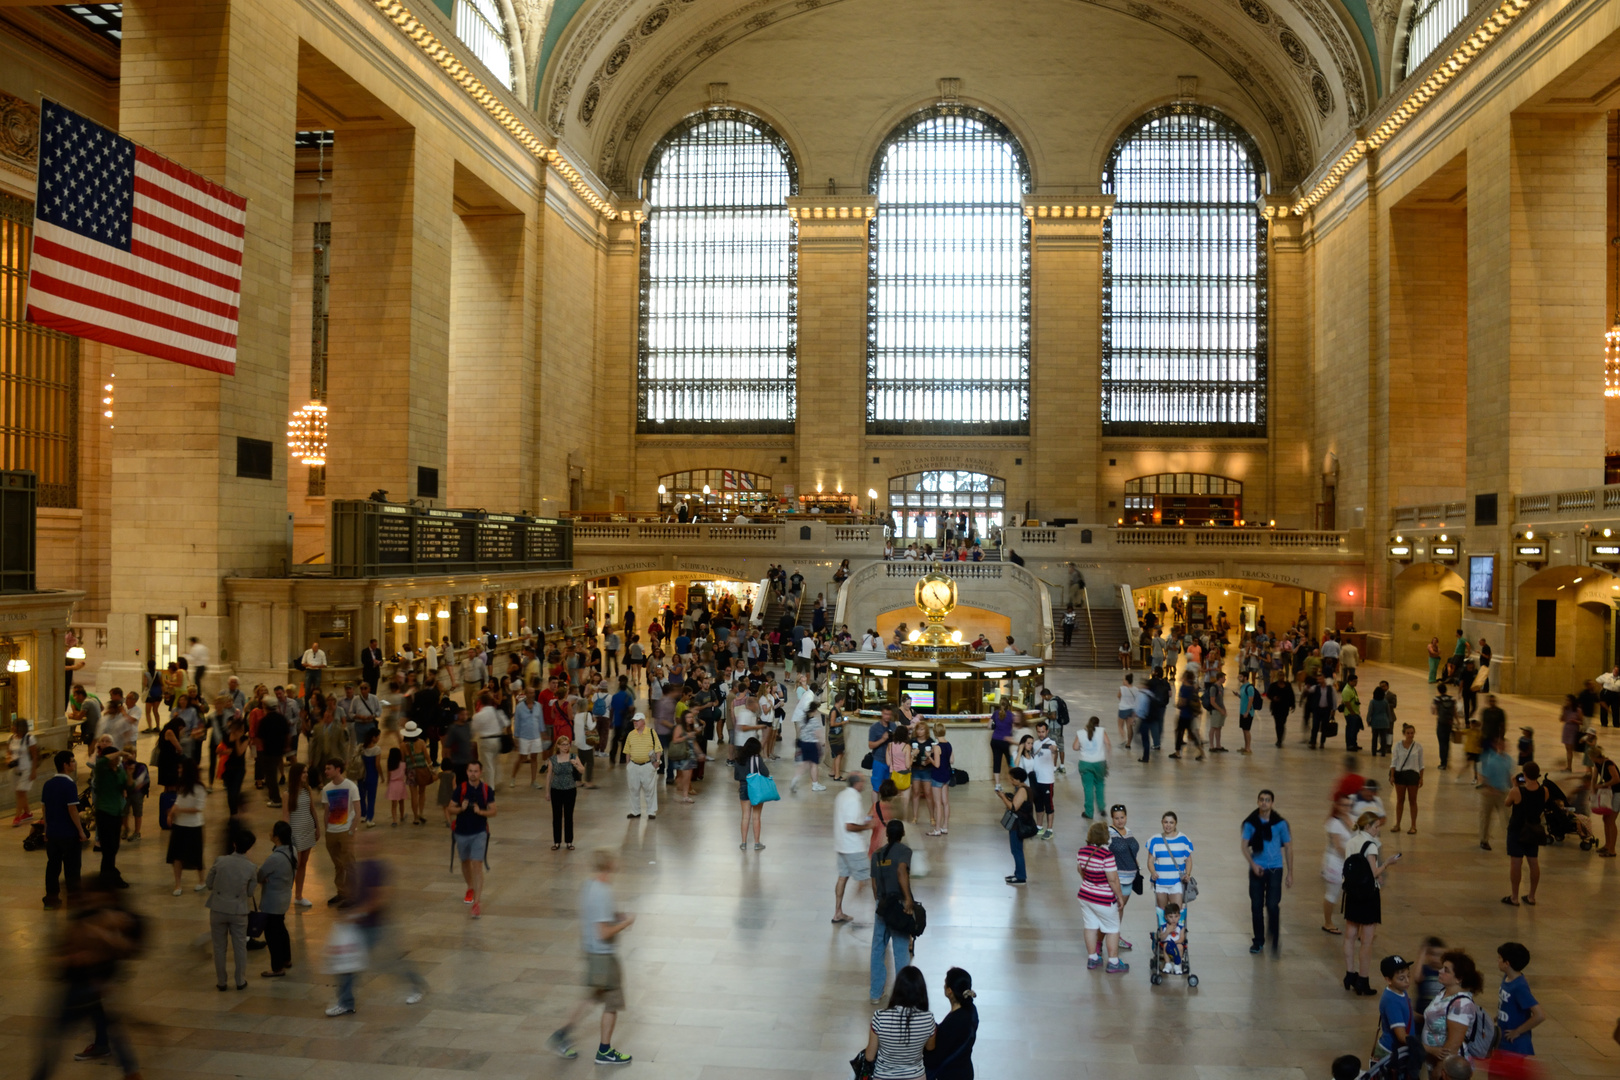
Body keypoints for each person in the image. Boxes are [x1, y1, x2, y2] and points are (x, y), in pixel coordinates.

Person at [27, 887, 144, 1080]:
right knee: (110, 1027)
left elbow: (107, 951)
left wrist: (72, 958)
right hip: (92, 988)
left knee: (52, 1036)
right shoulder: (97, 919)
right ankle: (130, 1070)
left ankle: (40, 1077)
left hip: (80, 990)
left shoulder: (92, 922)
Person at [546, 849, 634, 1065]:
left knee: (590, 998)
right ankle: (604, 1051)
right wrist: (626, 923)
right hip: (603, 957)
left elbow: (596, 916)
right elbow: (603, 932)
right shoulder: (603, 891)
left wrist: (615, 915)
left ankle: (562, 1036)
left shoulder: (589, 886)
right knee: (612, 1002)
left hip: (592, 953)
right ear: (609, 866)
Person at [325, 853, 428, 1016]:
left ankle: (416, 984)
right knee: (348, 963)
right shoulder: (362, 867)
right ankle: (346, 1002)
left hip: (376, 927)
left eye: (366, 844)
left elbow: (378, 900)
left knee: (387, 963)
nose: (362, 847)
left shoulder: (377, 869)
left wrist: (355, 914)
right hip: (362, 926)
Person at [1343, 811, 1399, 996]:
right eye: (1376, 827)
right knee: (1366, 941)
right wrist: (1388, 864)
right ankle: (1363, 980)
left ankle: (1349, 974)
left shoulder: (1351, 842)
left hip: (1351, 893)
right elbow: (1373, 872)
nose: (1378, 830)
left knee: (1350, 934)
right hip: (1368, 895)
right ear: (1367, 827)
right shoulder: (1371, 846)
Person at [205, 825, 257, 991]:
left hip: (218, 908)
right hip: (238, 911)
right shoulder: (251, 868)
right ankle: (240, 980)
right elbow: (250, 893)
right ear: (249, 847)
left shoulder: (220, 861)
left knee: (219, 948)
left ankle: (221, 982)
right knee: (240, 947)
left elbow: (208, 884)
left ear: (234, 844)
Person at [1241, 789, 1293, 955]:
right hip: (1257, 869)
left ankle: (1275, 937)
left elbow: (1289, 848)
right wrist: (1253, 864)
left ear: (1272, 803)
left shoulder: (1281, 824)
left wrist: (1290, 872)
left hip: (1275, 869)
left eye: (1267, 800)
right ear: (1258, 802)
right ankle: (1258, 941)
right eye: (1261, 800)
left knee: (1272, 904)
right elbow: (1244, 845)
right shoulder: (1251, 823)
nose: (1264, 802)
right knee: (1256, 906)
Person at [862, 964, 937, 1079]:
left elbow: (869, 1056)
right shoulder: (928, 1018)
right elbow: (930, 1047)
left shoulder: (880, 1017)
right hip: (916, 1076)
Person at [869, 819, 915, 1004]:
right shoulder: (904, 851)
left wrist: (880, 901)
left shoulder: (877, 855)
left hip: (882, 904)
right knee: (901, 949)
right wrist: (908, 899)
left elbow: (874, 882)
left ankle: (875, 993)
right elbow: (901, 871)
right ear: (902, 834)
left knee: (878, 948)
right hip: (898, 905)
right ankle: (903, 996)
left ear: (887, 834)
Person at [1077, 821, 1129, 973]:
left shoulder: (1082, 851)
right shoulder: (1107, 855)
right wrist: (1119, 896)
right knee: (1113, 928)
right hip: (1104, 899)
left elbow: (1081, 870)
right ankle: (1113, 961)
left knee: (1090, 926)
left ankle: (1093, 958)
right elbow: (1113, 879)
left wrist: (1091, 884)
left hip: (1085, 895)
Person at [1421, 951, 1485, 1071]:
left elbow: (1453, 1045)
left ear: (1458, 979)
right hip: (1433, 1062)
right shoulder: (1444, 992)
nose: (1440, 971)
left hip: (1451, 1069)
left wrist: (1439, 1070)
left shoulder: (1461, 1006)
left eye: (1446, 970)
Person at [447, 759, 495, 917]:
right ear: (467, 772)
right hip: (461, 832)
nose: (473, 774)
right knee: (465, 861)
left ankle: (477, 903)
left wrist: (480, 812)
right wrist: (461, 808)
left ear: (480, 772)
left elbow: (493, 811)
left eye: (475, 771)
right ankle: (470, 886)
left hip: (479, 831)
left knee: (477, 864)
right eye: (470, 771)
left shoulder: (486, 790)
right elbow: (450, 808)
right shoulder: (460, 789)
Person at [41, 751, 86, 909]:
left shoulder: (48, 784)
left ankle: (51, 898)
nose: (74, 764)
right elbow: (72, 810)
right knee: (72, 867)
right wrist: (80, 830)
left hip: (53, 833)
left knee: (52, 867)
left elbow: (45, 809)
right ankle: (74, 899)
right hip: (68, 833)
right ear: (65, 765)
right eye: (72, 761)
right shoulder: (69, 785)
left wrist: (46, 829)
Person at [922, 967, 977, 1080]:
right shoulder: (971, 1010)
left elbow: (932, 1061)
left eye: (945, 983)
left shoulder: (954, 1022)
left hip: (949, 1074)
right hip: (965, 1070)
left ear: (949, 990)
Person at [257, 820, 296, 978]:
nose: (269, 832)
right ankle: (286, 958)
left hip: (272, 901)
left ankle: (277, 967)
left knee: (272, 935)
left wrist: (264, 879)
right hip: (284, 897)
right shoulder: (292, 850)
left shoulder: (275, 858)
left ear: (277, 837)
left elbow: (260, 874)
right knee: (281, 928)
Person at [319, 759, 360, 907]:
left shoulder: (351, 786)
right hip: (332, 831)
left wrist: (351, 830)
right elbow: (326, 812)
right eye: (325, 769)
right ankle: (341, 892)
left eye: (328, 768)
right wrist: (326, 830)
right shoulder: (326, 789)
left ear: (338, 769)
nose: (326, 771)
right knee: (338, 864)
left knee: (350, 864)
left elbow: (357, 810)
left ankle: (352, 895)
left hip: (346, 831)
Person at [832, 771, 872, 924]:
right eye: (863, 782)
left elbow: (851, 819)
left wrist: (866, 819)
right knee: (864, 879)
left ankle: (838, 912)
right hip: (853, 847)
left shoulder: (841, 796)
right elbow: (850, 825)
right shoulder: (854, 799)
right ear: (858, 784)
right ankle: (858, 914)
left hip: (841, 844)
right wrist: (869, 826)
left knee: (843, 877)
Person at [88, 743, 130, 888]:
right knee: (108, 848)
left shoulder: (119, 771)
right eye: (116, 757)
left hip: (116, 812)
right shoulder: (101, 770)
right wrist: (121, 752)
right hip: (104, 813)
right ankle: (109, 877)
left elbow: (125, 785)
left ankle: (107, 876)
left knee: (114, 847)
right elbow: (103, 760)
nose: (118, 760)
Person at [166, 757, 208, 895]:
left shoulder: (199, 788)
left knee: (196, 855)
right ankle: (178, 885)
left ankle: (202, 881)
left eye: (181, 768)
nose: (179, 770)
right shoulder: (182, 785)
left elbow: (198, 808)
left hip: (194, 825)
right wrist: (171, 814)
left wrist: (179, 811)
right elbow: (178, 801)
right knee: (176, 855)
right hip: (179, 824)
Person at [1371, 955, 1417, 1079]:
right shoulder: (1392, 1001)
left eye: (1409, 975)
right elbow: (1401, 1037)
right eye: (1401, 978)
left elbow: (1407, 1013)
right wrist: (1426, 1048)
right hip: (1391, 1053)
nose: (1407, 981)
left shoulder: (1401, 991)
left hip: (1397, 1051)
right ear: (1388, 980)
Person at [1495, 942, 1544, 1058]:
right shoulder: (1507, 978)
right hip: (1503, 1039)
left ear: (1507, 963)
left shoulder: (1519, 987)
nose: (1497, 960)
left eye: (1499, 958)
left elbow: (1540, 1015)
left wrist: (1517, 1031)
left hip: (1514, 1045)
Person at [1144, 810, 1193, 919]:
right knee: (1162, 913)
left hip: (1176, 881)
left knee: (1176, 912)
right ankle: (1164, 933)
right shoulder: (1155, 840)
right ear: (1162, 822)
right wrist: (1153, 872)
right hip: (1160, 881)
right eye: (1166, 822)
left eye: (1171, 822)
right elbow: (1150, 861)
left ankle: (1177, 934)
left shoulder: (1183, 839)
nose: (1168, 825)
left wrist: (1188, 874)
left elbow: (1188, 860)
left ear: (1176, 823)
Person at [282, 761, 318, 907]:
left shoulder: (307, 789)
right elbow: (286, 816)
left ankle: (299, 895)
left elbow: (312, 809)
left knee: (303, 863)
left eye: (306, 772)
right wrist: (286, 836)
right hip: (295, 832)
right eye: (303, 772)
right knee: (295, 865)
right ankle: (288, 894)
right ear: (297, 775)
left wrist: (318, 827)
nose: (306, 774)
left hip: (308, 829)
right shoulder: (287, 794)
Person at [995, 766, 1034, 884]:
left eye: (1012, 779)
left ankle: (1021, 876)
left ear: (1018, 779)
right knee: (1016, 850)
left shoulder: (1022, 790)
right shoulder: (1024, 789)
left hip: (1018, 824)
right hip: (1019, 823)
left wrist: (1002, 797)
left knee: (1016, 850)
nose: (1011, 781)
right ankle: (1018, 874)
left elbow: (1013, 807)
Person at [734, 735, 769, 850]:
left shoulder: (739, 759)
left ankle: (743, 843)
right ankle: (757, 843)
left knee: (745, 816)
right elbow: (765, 772)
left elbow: (736, 776)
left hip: (743, 787)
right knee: (756, 816)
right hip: (756, 788)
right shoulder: (757, 758)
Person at [623, 712, 661, 820]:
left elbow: (658, 748)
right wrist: (628, 765)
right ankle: (635, 811)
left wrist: (657, 761)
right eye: (634, 721)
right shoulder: (631, 734)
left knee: (650, 789)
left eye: (637, 720)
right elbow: (627, 750)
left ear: (643, 721)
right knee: (633, 789)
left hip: (647, 765)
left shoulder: (651, 733)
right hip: (634, 765)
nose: (635, 723)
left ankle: (651, 811)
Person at [1072, 715, 1109, 821]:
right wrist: (1108, 759)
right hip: (1099, 763)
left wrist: (1082, 747)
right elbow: (1108, 743)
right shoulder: (1102, 731)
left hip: (1085, 763)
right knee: (1100, 785)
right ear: (1098, 724)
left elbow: (1075, 747)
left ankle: (1089, 812)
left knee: (1088, 788)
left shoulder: (1080, 733)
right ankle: (1101, 808)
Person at [546, 734, 581, 850]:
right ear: (559, 746)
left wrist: (575, 764)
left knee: (568, 816)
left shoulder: (573, 757)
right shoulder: (552, 759)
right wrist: (547, 792)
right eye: (564, 745)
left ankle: (569, 841)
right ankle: (556, 841)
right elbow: (549, 775)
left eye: (567, 744)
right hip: (556, 790)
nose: (566, 747)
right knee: (556, 816)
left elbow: (582, 770)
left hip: (570, 789)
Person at [1477, 737, 1511, 851]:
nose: (1503, 747)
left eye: (1505, 745)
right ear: (1496, 746)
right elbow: (1483, 777)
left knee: (1507, 816)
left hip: (1503, 792)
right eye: (1501, 745)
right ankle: (1484, 840)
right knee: (1486, 817)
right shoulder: (1491, 759)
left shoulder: (1509, 760)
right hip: (1490, 793)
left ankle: (1510, 839)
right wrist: (1491, 789)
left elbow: (1508, 775)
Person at [1390, 725, 1424, 834]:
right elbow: (1394, 761)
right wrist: (1392, 775)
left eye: (1412, 733)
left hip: (1413, 775)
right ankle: (1397, 824)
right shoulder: (1398, 745)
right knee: (1400, 800)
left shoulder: (1418, 747)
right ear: (1404, 733)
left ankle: (1413, 825)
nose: (1410, 735)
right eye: (1408, 733)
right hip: (1400, 774)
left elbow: (1421, 764)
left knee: (1412, 801)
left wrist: (1421, 778)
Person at [9, 717, 39, 826]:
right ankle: (27, 813)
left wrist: (33, 771)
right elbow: (9, 751)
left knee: (21, 792)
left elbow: (35, 756)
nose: (12, 727)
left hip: (27, 768)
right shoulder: (11, 738)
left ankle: (17, 817)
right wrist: (9, 759)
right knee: (20, 792)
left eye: (14, 726)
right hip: (15, 770)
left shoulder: (29, 739)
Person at [1433, 683, 1458, 771]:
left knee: (1441, 743)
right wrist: (1457, 721)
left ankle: (1443, 763)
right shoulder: (1452, 699)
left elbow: (1434, 712)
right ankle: (1447, 761)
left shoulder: (1437, 699)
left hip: (1441, 723)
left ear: (1439, 690)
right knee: (1447, 743)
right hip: (1449, 723)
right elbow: (1454, 711)